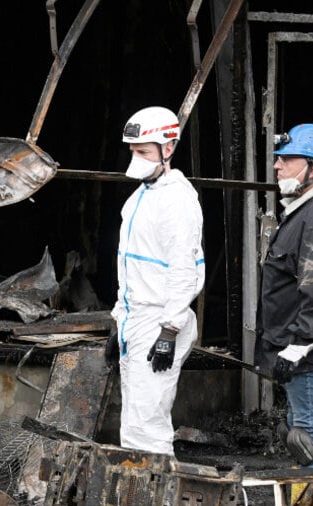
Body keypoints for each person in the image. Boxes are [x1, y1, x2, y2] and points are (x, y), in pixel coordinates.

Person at [104, 106, 205, 457]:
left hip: (160, 319)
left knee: (149, 421)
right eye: (133, 150)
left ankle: (158, 502)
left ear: (169, 147)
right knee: (134, 418)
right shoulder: (140, 198)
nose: (137, 158)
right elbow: (130, 268)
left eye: (144, 151)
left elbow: (183, 269)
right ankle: (138, 499)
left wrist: (170, 330)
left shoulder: (177, 200)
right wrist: (120, 321)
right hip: (138, 319)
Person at [255, 123, 313, 467]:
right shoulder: (304, 210)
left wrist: (299, 345)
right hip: (305, 356)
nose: (277, 166)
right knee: (306, 438)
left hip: (311, 359)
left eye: (287, 158)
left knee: (311, 442)